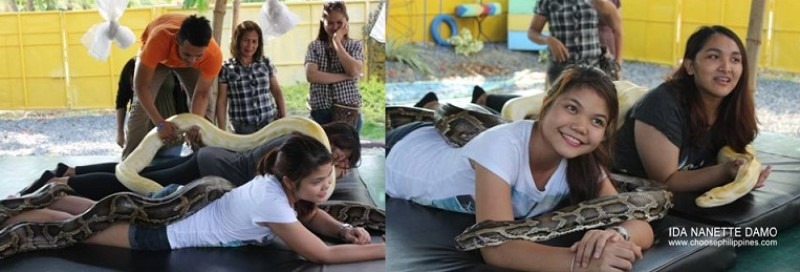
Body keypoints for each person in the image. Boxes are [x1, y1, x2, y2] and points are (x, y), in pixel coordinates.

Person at [386, 65, 652, 271]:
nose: (581, 127)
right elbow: (497, 249)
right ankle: (430, 108)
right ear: (547, 103)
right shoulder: (502, 146)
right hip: (405, 152)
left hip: (456, 146)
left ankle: (436, 106)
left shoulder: (583, 161)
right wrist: (584, 264)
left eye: (597, 121)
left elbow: (641, 227)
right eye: (572, 108)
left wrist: (617, 236)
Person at [2, 134, 384, 263]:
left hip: (177, 203)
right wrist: (388, 250)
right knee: (75, 230)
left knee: (95, 209)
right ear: (291, 180)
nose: (325, 188)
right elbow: (323, 255)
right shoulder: (271, 201)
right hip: (166, 229)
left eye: (328, 180)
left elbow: (311, 215)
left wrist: (345, 227)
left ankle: (40, 198)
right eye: (318, 181)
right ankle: (21, 214)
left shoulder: (276, 185)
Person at [612, 25, 772, 192]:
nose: (726, 67)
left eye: (735, 60)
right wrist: (726, 172)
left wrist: (745, 175)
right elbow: (664, 182)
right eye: (714, 57)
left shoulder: (732, 107)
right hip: (627, 195)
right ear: (690, 66)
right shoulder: (661, 105)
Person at [18, 122, 361, 200]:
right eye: (338, 154)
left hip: (214, 161)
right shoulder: (299, 144)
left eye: (343, 162)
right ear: (327, 139)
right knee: (133, 184)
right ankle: (66, 184)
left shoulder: (301, 140)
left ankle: (68, 172)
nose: (337, 164)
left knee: (142, 172)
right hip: (211, 167)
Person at [131, 14, 223, 146]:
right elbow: (140, 86)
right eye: (187, 54)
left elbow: (201, 94)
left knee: (204, 113)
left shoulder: (213, 55)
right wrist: (160, 124)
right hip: (159, 58)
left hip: (183, 58)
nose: (192, 60)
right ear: (178, 40)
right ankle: (130, 161)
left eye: (198, 55)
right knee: (141, 108)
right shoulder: (158, 39)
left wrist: (195, 124)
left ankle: (204, 157)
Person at [528, 0, 623, 87]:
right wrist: (548, 40)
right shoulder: (547, 1)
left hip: (592, 68)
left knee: (593, 103)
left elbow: (617, 30)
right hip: (561, 70)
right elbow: (532, 31)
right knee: (561, 103)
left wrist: (617, 65)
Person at [217, 20, 287, 134]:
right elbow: (222, 101)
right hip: (242, 129)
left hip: (269, 124)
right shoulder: (226, 68)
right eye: (246, 40)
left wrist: (283, 117)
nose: (250, 46)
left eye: (254, 41)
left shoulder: (265, 63)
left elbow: (277, 91)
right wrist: (221, 130)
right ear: (237, 41)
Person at [305, 1, 364, 131]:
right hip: (320, 110)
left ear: (346, 22)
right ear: (323, 22)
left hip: (348, 111)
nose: (335, 27)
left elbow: (353, 70)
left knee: (347, 150)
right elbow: (311, 75)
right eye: (330, 23)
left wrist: (337, 42)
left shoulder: (354, 45)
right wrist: (345, 76)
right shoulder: (315, 46)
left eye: (339, 22)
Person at [117, 57, 190, 159]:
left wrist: (186, 128)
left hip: (169, 133)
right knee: (137, 167)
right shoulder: (132, 65)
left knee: (170, 170)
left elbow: (181, 99)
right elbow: (121, 100)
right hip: (142, 135)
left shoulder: (170, 65)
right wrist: (119, 132)